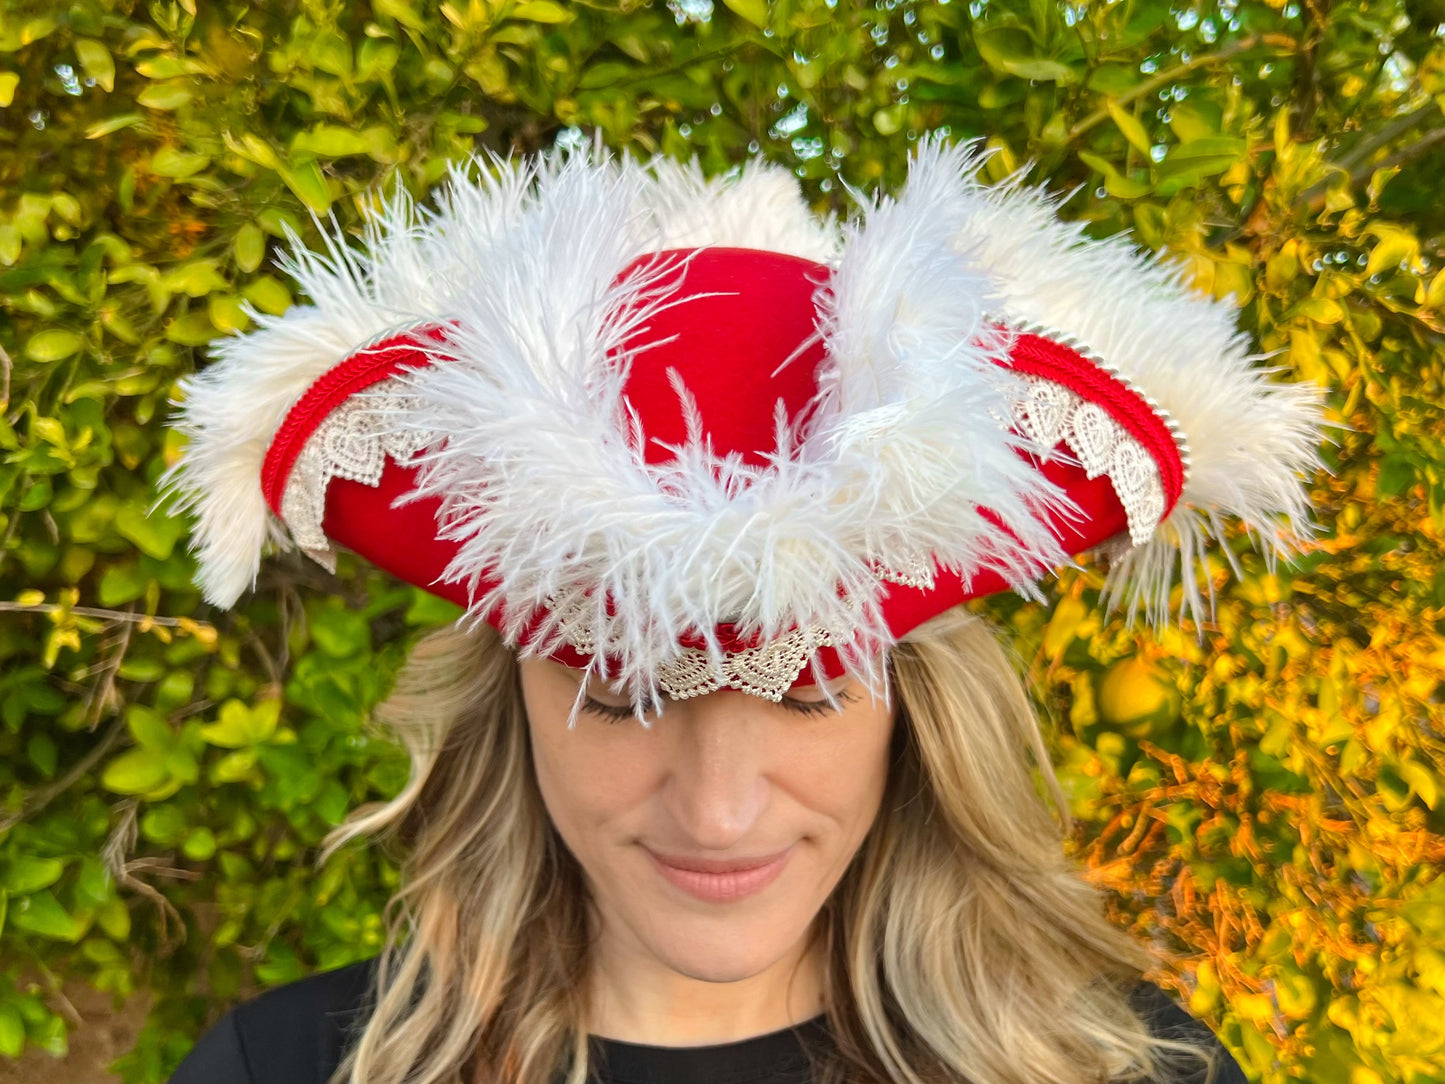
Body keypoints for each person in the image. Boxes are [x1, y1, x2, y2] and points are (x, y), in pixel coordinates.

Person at [163, 139, 1320, 1084]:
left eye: (810, 690)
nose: (717, 812)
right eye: (620, 698)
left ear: (914, 706)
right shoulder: (282, 1068)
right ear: (506, 691)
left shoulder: (1127, 1066)